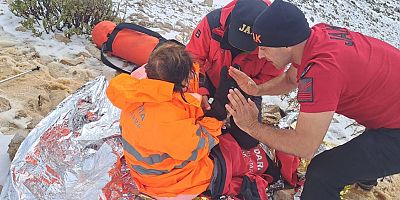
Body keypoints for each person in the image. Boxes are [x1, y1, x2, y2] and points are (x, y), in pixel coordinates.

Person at [225, 0, 400, 199]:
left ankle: (365, 172)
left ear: (287, 45)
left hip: (395, 130)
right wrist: (257, 90)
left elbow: (305, 146)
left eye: (265, 48)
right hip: (390, 103)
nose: (260, 55)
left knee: (323, 173)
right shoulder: (315, 37)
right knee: (362, 151)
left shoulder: (322, 72)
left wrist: (251, 126)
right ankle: (366, 177)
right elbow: (292, 78)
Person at [106, 41, 291, 199]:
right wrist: (218, 112)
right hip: (168, 182)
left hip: (151, 166)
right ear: (180, 82)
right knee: (232, 163)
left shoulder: (138, 89)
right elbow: (199, 146)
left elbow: (175, 113)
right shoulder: (167, 120)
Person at [186, 0, 285, 149]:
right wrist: (200, 90)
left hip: (248, 87)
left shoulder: (274, 41)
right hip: (209, 78)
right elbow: (193, 59)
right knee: (192, 120)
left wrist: (247, 91)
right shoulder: (212, 23)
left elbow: (272, 78)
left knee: (248, 141)